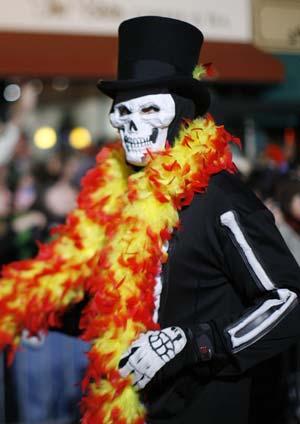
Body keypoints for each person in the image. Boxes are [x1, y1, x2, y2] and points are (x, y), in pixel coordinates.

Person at [0, 16, 300, 424]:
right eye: (122, 113)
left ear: (180, 114)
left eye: (148, 109)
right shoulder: (122, 198)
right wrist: (44, 316)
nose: (132, 126)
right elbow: (114, 306)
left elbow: (288, 300)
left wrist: (194, 343)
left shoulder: (220, 198)